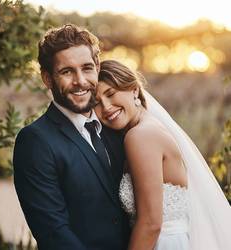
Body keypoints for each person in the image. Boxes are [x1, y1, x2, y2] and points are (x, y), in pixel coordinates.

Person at [13, 25, 131, 250]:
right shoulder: (35, 141)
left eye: (87, 68)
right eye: (67, 72)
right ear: (47, 78)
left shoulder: (115, 126)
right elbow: (54, 233)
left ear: (97, 67)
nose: (80, 81)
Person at [95, 59, 231, 250]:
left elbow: (151, 223)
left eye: (111, 94)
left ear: (134, 90)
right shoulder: (149, 127)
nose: (106, 107)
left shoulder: (140, 136)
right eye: (96, 102)